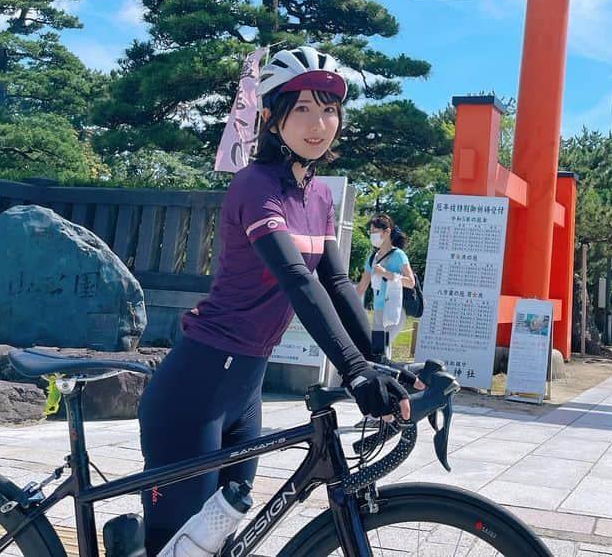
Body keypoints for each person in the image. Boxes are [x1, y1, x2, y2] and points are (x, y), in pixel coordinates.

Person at [136, 46, 411, 556]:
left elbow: (335, 282)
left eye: (328, 108)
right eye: (301, 108)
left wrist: (381, 362)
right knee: (178, 548)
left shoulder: (318, 195)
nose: (318, 122)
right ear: (269, 116)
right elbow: (295, 279)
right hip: (195, 389)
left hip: (245, 388)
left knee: (222, 541)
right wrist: (353, 371)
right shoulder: (254, 186)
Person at [356, 213, 416, 359]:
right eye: (371, 233)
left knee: (383, 347)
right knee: (378, 351)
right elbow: (362, 286)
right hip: (378, 311)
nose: (372, 236)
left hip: (394, 310)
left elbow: (410, 282)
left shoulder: (398, 255)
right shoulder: (372, 258)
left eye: (375, 232)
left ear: (387, 232)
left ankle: (386, 379)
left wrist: (386, 273)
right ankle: (382, 378)